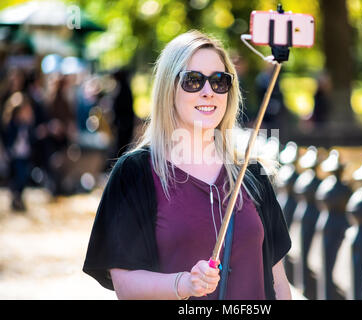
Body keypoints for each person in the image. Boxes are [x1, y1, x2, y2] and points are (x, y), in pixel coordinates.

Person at [82, 30, 292, 300]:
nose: (208, 92)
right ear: (169, 89)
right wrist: (184, 284)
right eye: (193, 81)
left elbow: (279, 283)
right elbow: (125, 286)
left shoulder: (251, 174)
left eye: (219, 81)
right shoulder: (135, 173)